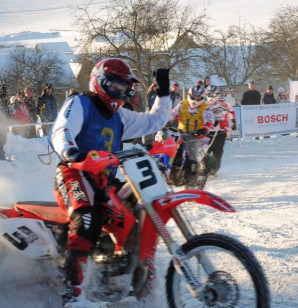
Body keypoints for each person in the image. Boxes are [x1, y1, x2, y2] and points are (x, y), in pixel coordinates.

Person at [48, 58, 172, 306]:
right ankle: (73, 294)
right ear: (99, 83)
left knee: (136, 210)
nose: (120, 92)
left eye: (124, 88)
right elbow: (62, 130)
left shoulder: (121, 116)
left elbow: (153, 121)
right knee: (87, 218)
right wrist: (72, 152)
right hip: (74, 172)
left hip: (103, 180)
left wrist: (164, 93)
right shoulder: (80, 103)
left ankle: (122, 276)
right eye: (114, 86)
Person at [170, 85, 213, 185]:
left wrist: (204, 129)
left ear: (202, 98)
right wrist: (165, 121)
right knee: (175, 152)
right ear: (189, 95)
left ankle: (192, 180)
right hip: (181, 134)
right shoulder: (182, 104)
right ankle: (171, 172)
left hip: (197, 136)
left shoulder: (205, 107)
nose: (195, 99)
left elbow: (209, 120)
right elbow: (172, 114)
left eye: (198, 98)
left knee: (192, 159)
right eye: (193, 97)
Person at [205, 85, 236, 175]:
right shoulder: (204, 104)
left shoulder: (224, 103)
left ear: (217, 94)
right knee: (206, 151)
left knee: (217, 152)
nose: (211, 96)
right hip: (208, 131)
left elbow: (232, 111)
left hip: (221, 130)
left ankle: (214, 170)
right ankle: (204, 169)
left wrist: (233, 122)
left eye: (213, 94)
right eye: (209, 94)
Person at [0, 84, 10, 160]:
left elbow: (6, 110)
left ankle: (1, 153)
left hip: (4, 121)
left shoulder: (4, 99)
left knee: (3, 139)